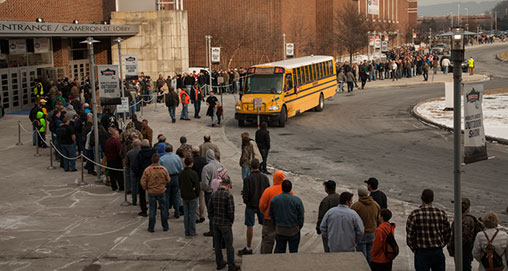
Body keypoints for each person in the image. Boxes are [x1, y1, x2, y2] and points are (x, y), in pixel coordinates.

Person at [406, 189, 451, 271]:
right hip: (437, 251)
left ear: (421, 199)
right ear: (432, 199)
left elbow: (409, 236)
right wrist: (441, 244)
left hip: (421, 252)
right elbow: (448, 233)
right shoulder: (441, 213)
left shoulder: (414, 214)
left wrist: (415, 249)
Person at [238, 158, 270, 256]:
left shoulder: (248, 179)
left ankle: (248, 247)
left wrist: (247, 202)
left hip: (251, 205)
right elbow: (268, 192)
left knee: (249, 226)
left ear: (251, 167)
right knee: (265, 226)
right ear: (259, 166)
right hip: (262, 205)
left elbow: (245, 195)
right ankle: (265, 246)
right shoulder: (265, 178)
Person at [208, 176, 241, 271]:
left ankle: (219, 263)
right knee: (229, 245)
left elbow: (210, 209)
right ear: (228, 185)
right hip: (225, 223)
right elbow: (231, 211)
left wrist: (214, 217)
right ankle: (231, 265)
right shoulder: (228, 196)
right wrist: (231, 221)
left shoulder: (214, 194)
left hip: (216, 222)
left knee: (217, 244)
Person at [258, 171, 292, 254]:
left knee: (267, 241)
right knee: (280, 242)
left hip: (269, 219)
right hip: (282, 220)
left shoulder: (268, 191)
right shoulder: (289, 192)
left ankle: (265, 258)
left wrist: (265, 213)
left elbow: (262, 205)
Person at [447, 198, 483, 271]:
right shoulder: (462, 217)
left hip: (464, 253)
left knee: (464, 268)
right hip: (462, 252)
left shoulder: (466, 219)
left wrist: (453, 247)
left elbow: (463, 238)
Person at [269, 180, 304, 254]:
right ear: (291, 188)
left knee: (280, 252)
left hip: (280, 229)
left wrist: (276, 225)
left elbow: (271, 214)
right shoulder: (297, 200)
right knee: (294, 252)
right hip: (293, 230)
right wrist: (298, 227)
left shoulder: (275, 199)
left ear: (282, 188)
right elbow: (301, 216)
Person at [141, 153, 170, 232]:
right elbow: (168, 179)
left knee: (152, 210)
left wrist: (146, 188)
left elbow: (143, 181)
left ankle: (151, 227)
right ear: (158, 160)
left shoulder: (148, 169)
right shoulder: (163, 169)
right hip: (161, 191)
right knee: (163, 209)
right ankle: (165, 226)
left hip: (151, 191)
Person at [352, 187, 380, 264]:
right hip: (372, 233)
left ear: (358, 194)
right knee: (370, 255)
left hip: (361, 233)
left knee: (361, 256)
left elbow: (352, 221)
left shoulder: (356, 206)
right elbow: (379, 219)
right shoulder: (375, 204)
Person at [201, 149, 224, 236]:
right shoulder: (221, 165)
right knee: (219, 210)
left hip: (210, 192)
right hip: (220, 191)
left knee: (211, 212)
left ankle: (213, 230)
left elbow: (204, 182)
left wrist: (206, 189)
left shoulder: (206, 168)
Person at [132, 139, 156, 217]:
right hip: (153, 175)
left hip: (142, 175)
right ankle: (153, 210)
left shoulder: (140, 154)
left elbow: (135, 166)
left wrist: (138, 173)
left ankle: (144, 210)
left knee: (142, 194)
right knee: (153, 193)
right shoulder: (153, 153)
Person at [159, 144, 183, 218]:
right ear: (172, 150)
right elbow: (180, 168)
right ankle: (177, 212)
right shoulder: (177, 157)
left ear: (165, 150)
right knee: (175, 195)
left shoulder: (162, 159)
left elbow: (160, 170)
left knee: (166, 196)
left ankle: (166, 213)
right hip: (175, 177)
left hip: (166, 178)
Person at [178, 156, 200, 238]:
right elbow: (197, 186)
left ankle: (187, 231)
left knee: (186, 214)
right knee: (192, 213)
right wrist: (197, 193)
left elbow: (179, 184)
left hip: (184, 195)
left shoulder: (181, 173)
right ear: (192, 164)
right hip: (192, 195)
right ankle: (192, 231)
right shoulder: (193, 174)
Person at [316, 180, 341, 252]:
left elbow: (321, 216)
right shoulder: (340, 198)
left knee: (328, 250)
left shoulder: (326, 200)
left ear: (326, 189)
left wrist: (318, 228)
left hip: (329, 229)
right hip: (339, 227)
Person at [191, 146, 207, 224]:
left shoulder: (192, 161)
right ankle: (202, 215)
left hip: (195, 182)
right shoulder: (204, 160)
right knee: (202, 199)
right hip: (202, 181)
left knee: (195, 200)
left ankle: (196, 216)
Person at [126, 139, 141, 205]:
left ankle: (134, 200)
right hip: (140, 170)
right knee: (141, 186)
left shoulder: (129, 152)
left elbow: (127, 163)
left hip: (132, 170)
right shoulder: (141, 152)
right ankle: (141, 200)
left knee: (133, 186)